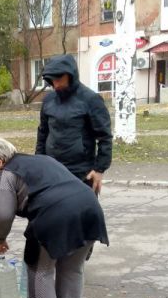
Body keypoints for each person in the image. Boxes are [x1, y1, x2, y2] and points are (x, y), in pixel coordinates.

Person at [0, 137, 108, 298]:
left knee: (40, 268)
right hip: (90, 208)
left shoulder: (6, 173)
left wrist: (0, 239)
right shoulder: (43, 160)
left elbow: (3, 213)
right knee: (72, 268)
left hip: (54, 216)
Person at [36, 55, 112, 195]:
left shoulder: (91, 99)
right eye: (53, 80)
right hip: (52, 171)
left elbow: (104, 137)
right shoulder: (48, 100)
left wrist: (99, 169)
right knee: (54, 214)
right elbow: (42, 133)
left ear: (70, 75)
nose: (56, 84)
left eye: (59, 79)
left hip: (82, 173)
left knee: (81, 215)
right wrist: (39, 163)